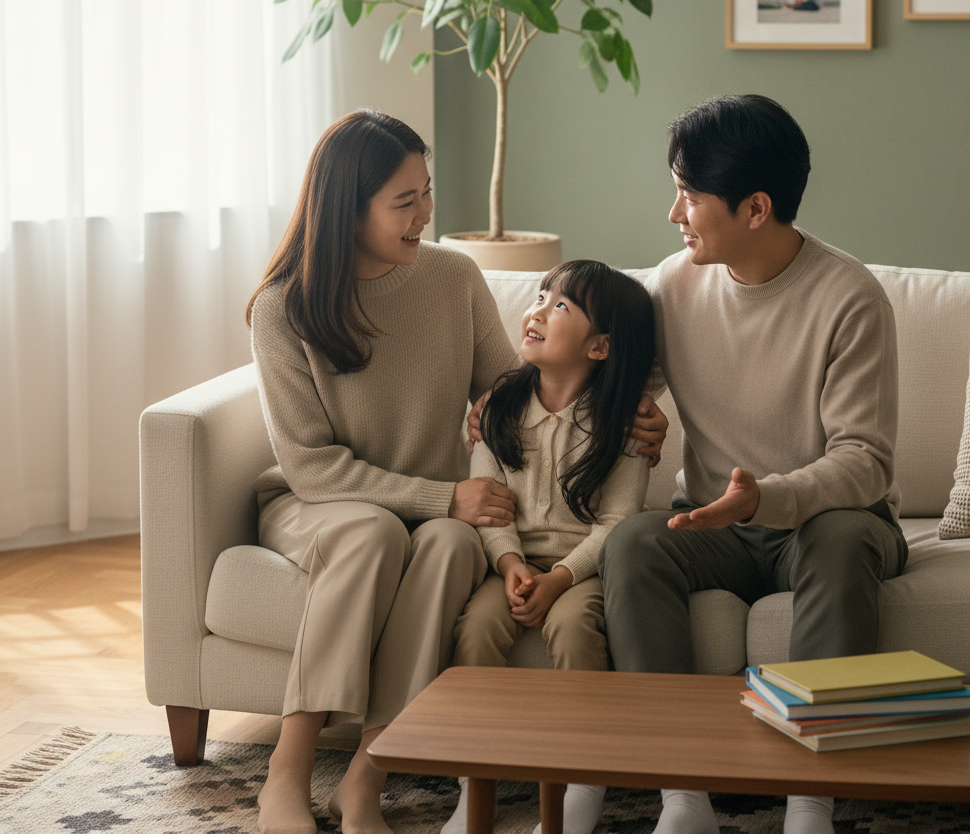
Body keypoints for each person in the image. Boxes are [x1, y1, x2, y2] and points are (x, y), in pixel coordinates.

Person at [247, 110, 669, 834]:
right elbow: (312, 467)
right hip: (320, 502)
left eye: (427, 192)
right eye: (403, 201)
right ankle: (286, 772)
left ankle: (366, 778)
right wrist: (445, 494)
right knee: (376, 535)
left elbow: (521, 385)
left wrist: (637, 407)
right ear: (348, 209)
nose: (426, 214)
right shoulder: (283, 309)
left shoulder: (452, 276)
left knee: (445, 542)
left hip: (434, 510)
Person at [599, 95, 909, 834]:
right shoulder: (669, 287)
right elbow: (610, 399)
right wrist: (528, 407)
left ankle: (809, 801)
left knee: (840, 539)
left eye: (690, 194)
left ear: (756, 208)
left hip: (829, 524)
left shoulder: (850, 298)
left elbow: (864, 462)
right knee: (635, 544)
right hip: (717, 524)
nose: (675, 214)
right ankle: (683, 798)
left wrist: (762, 498)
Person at [445, 261, 656, 834]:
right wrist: (510, 564)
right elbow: (487, 505)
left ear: (601, 346)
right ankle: (475, 781)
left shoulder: (625, 424)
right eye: (541, 295)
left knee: (574, 627)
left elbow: (617, 523)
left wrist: (560, 578)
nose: (537, 309)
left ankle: (581, 780)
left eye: (560, 306)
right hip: (507, 559)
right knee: (478, 625)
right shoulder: (497, 409)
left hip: (582, 569)